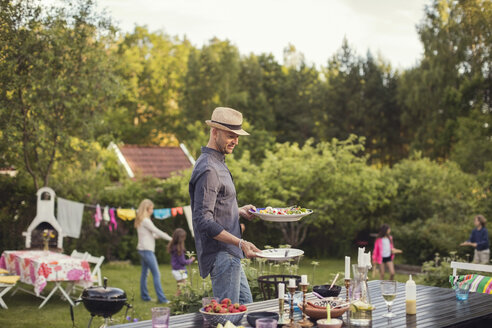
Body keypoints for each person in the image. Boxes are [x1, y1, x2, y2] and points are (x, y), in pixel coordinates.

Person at [189, 107, 260, 304]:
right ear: (215, 132)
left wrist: (238, 210)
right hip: (223, 255)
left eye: (237, 136)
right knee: (228, 319)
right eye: (231, 135)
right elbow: (203, 220)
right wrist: (240, 242)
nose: (236, 141)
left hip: (230, 254)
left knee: (246, 309)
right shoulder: (209, 168)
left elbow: (214, 206)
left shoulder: (217, 162)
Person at [135, 199, 172, 303]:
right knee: (156, 274)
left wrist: (157, 236)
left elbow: (149, 235)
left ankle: (145, 297)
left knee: (144, 273)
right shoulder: (146, 220)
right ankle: (162, 299)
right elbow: (156, 231)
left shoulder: (141, 220)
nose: (152, 210)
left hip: (142, 249)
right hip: (147, 250)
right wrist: (171, 239)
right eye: (151, 208)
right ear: (147, 208)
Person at [167, 228, 195, 293]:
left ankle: (178, 300)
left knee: (179, 288)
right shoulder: (179, 249)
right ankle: (176, 302)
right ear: (181, 238)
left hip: (175, 270)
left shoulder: (173, 246)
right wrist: (191, 260)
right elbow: (183, 262)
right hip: (180, 271)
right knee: (184, 288)